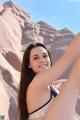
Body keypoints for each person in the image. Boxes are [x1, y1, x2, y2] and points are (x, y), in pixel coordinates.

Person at [18, 34, 80, 120]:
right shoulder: (36, 83)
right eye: (36, 58)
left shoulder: (54, 86)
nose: (42, 60)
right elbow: (69, 57)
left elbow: (66, 84)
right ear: (29, 64)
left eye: (45, 56)